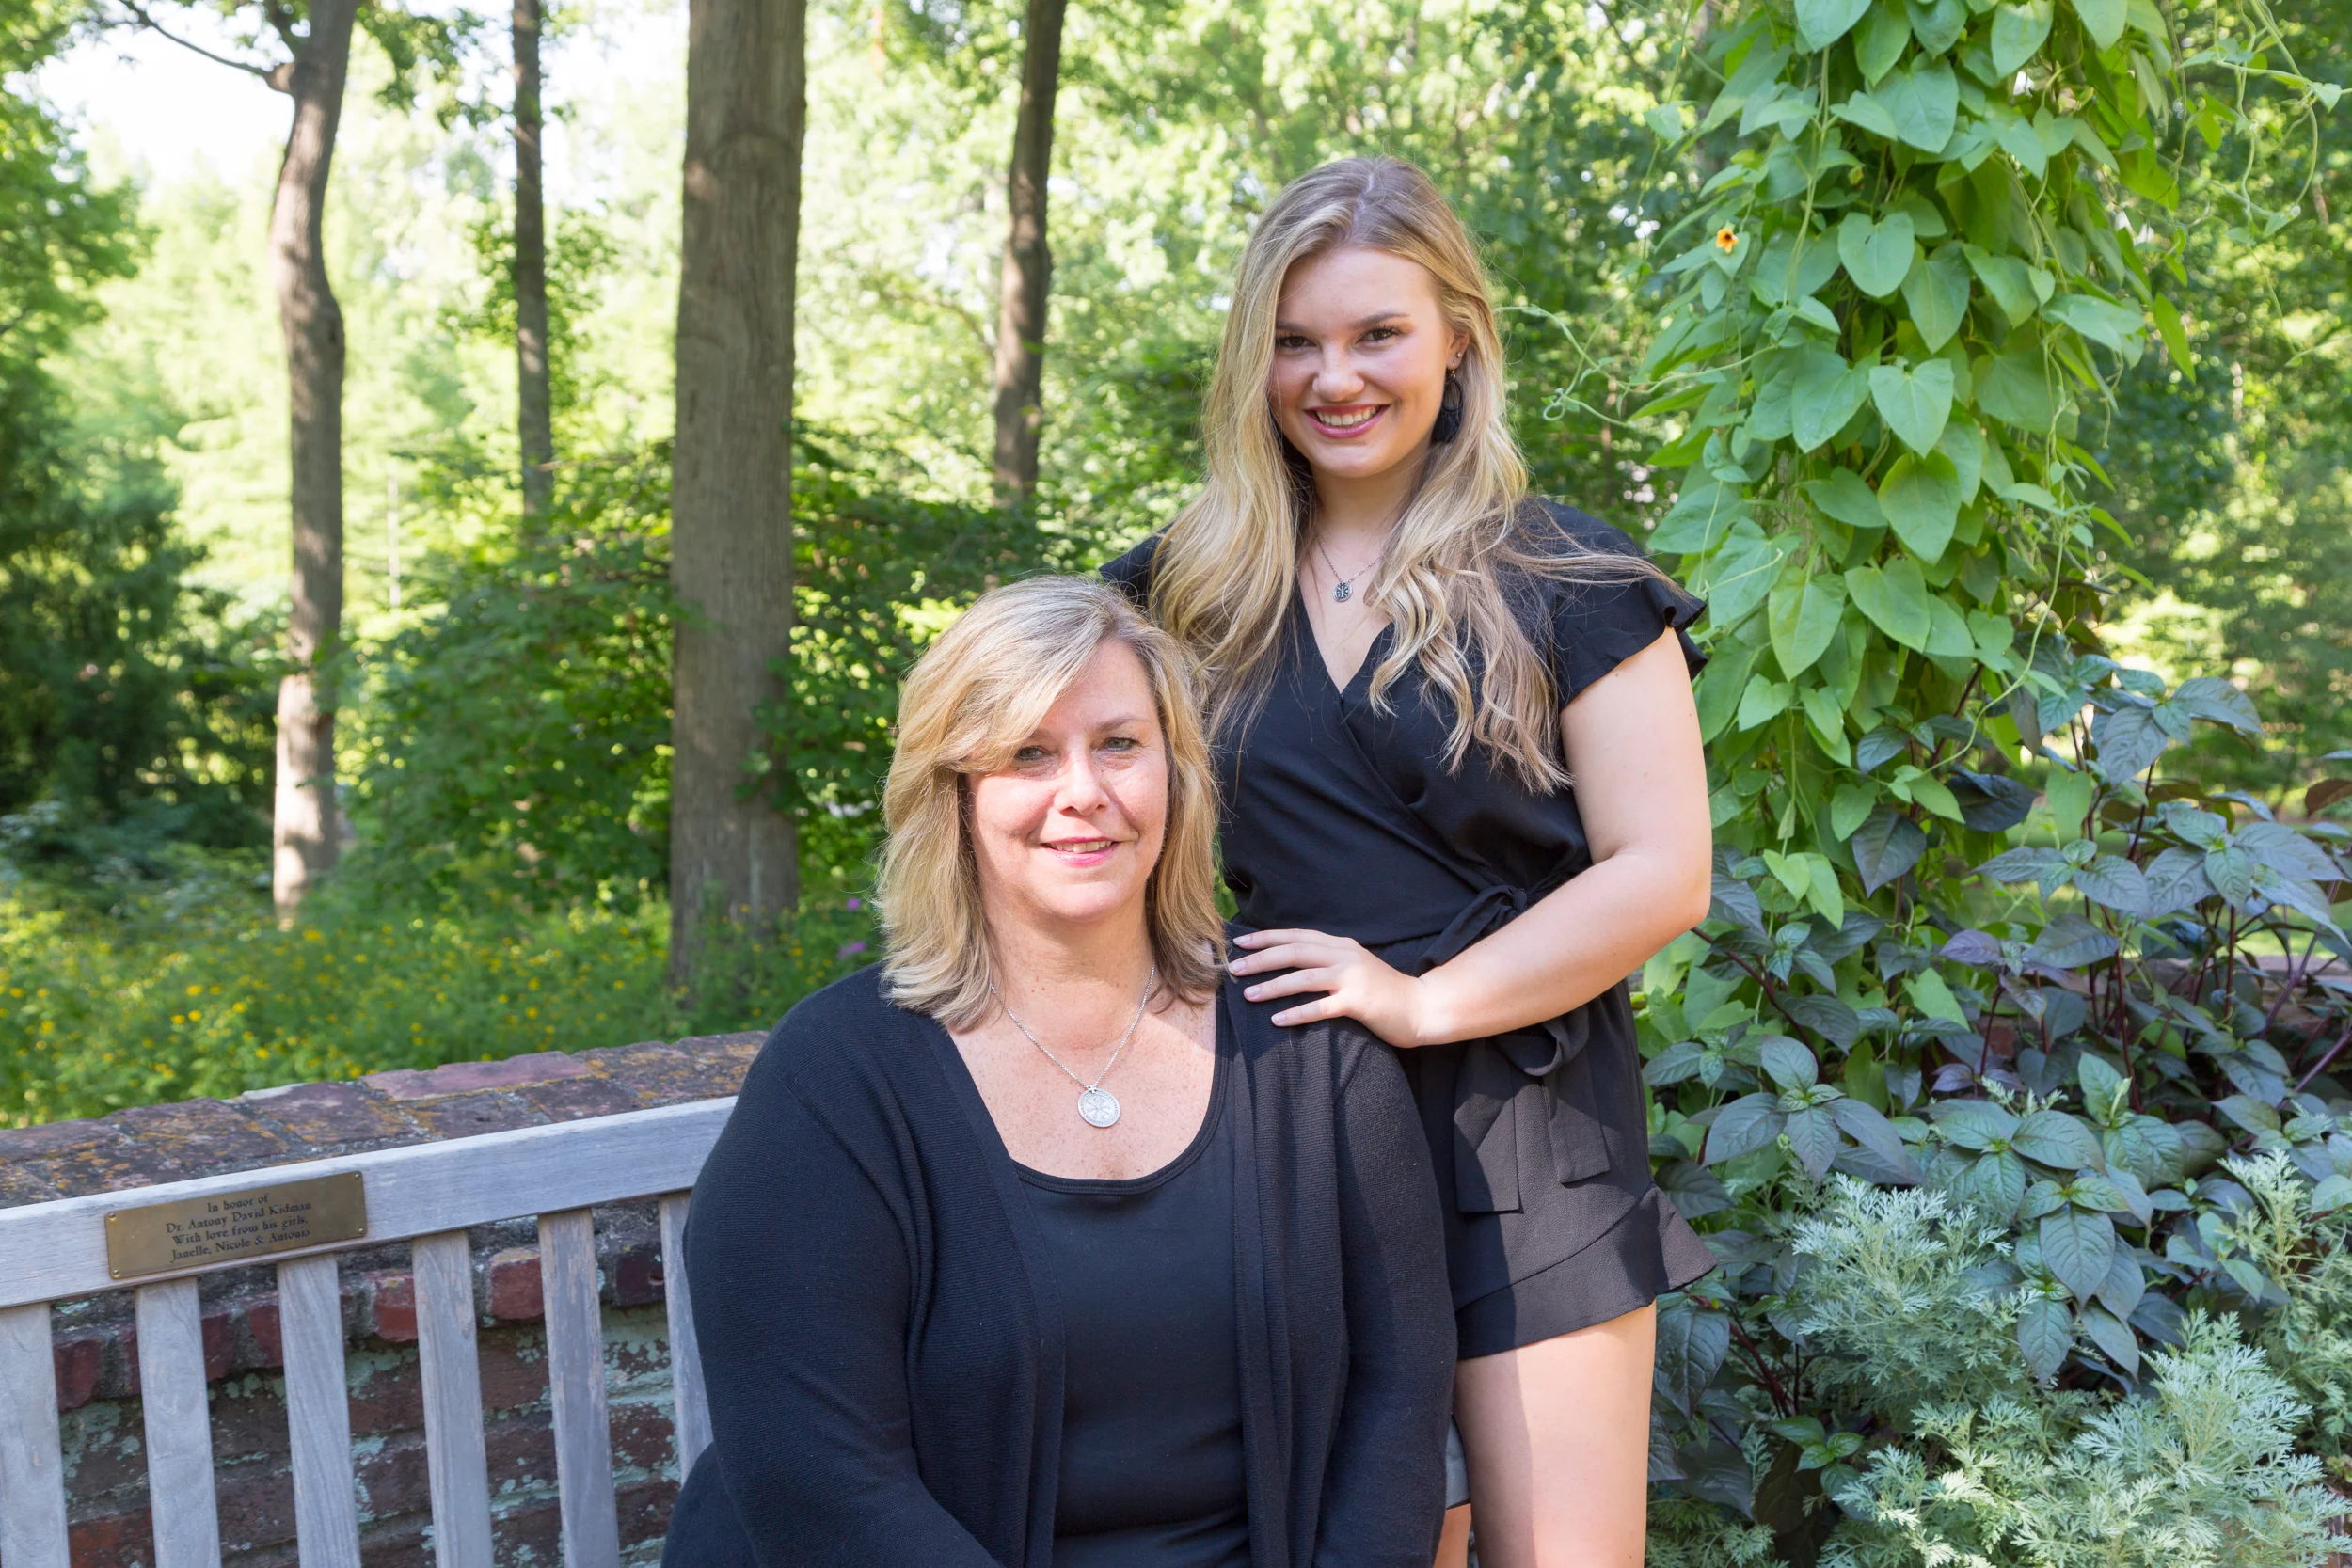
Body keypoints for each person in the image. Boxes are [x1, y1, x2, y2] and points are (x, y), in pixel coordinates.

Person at [1103, 158, 1718, 1568]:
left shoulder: (1567, 579)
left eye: (1376, 333)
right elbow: (1069, 800)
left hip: (1527, 1127)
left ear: (1459, 338)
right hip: (1284, 1119)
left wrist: (1425, 1000)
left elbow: (1662, 869)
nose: (1335, 378)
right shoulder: (1179, 592)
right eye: (1295, 341)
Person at [661, 575, 1457, 1568]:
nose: (1083, 790)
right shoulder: (834, 1080)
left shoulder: (1307, 1043)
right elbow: (817, 1473)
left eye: (1118, 743)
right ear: (955, 792)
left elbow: (1399, 1389)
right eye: (1028, 753)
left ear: (1176, 773)